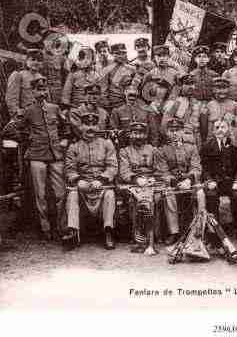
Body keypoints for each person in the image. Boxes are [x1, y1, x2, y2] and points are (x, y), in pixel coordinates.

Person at [15, 76, 67, 241]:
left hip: (55, 155)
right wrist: (28, 139)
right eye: (38, 89)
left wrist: (64, 140)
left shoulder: (55, 108)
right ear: (32, 92)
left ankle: (62, 227)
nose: (42, 92)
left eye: (44, 89)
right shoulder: (28, 111)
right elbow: (14, 130)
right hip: (37, 155)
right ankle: (45, 228)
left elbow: (65, 127)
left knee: (60, 192)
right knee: (41, 195)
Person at [62, 112, 118, 250]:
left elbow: (112, 166)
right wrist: (78, 180)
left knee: (110, 194)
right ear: (81, 126)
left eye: (94, 125)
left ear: (98, 127)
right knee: (72, 194)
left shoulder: (106, 144)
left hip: (101, 186)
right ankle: (73, 231)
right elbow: (69, 169)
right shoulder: (74, 146)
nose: (90, 128)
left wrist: (101, 179)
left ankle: (108, 231)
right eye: (87, 124)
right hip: (83, 186)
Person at [154, 119, 204, 246]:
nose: (175, 133)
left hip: (190, 182)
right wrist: (176, 182)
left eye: (177, 130)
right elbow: (163, 172)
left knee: (200, 194)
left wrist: (189, 180)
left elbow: (196, 168)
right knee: (168, 194)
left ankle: (198, 232)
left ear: (182, 132)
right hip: (173, 184)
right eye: (171, 131)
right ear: (167, 133)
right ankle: (174, 232)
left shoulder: (192, 148)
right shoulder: (162, 150)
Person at [200, 119, 237, 242]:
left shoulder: (235, 145)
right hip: (215, 181)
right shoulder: (207, 146)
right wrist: (209, 180)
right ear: (213, 130)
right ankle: (214, 233)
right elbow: (204, 167)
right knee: (211, 196)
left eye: (223, 127)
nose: (220, 130)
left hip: (231, 181)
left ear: (228, 129)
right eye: (217, 127)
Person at [119, 122, 161, 254]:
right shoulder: (124, 151)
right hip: (134, 183)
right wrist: (137, 179)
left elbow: (159, 169)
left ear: (146, 135)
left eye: (141, 133)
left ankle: (153, 237)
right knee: (138, 201)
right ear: (130, 134)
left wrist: (154, 178)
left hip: (152, 183)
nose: (138, 136)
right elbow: (124, 172)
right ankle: (140, 240)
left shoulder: (153, 150)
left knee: (157, 198)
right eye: (135, 133)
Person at [160, 74, 204, 147]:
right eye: (187, 84)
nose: (191, 87)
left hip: (194, 142)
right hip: (178, 142)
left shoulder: (197, 103)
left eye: (192, 83)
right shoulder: (174, 103)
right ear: (180, 86)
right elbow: (164, 127)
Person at [5, 49, 44, 118]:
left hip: (40, 116)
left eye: (39, 60)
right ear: (26, 61)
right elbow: (11, 99)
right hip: (25, 116)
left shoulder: (41, 77)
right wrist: (18, 115)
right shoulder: (18, 75)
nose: (36, 62)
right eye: (33, 59)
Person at [99, 43, 136, 113]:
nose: (121, 56)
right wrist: (107, 107)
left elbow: (134, 87)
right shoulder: (107, 69)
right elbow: (103, 91)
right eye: (118, 53)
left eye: (123, 53)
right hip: (113, 104)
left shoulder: (132, 69)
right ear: (112, 54)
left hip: (128, 103)